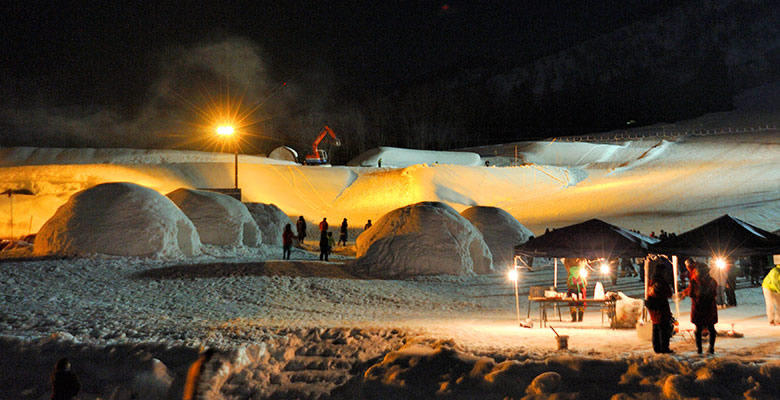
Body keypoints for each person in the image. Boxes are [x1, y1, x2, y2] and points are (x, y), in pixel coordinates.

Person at [681, 259, 718, 354]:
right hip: (710, 308)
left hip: (698, 308)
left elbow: (690, 294)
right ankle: (711, 348)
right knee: (711, 328)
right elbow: (715, 293)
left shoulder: (694, 282)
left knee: (698, 329)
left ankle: (699, 349)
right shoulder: (713, 281)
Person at [647, 263, 674, 353]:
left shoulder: (651, 281)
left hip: (653, 308)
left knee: (656, 328)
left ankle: (657, 348)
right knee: (663, 329)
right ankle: (663, 348)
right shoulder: (660, 282)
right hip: (660, 308)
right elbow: (668, 293)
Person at [565, 258, 587, 322]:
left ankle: (574, 318)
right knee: (581, 301)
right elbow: (584, 263)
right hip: (581, 286)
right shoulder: (582, 259)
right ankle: (580, 318)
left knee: (572, 301)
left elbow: (566, 264)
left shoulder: (568, 261)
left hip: (572, 285)